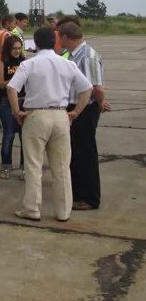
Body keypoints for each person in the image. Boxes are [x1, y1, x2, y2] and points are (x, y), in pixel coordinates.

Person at [6, 27, 92, 222]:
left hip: (36, 115)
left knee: (33, 165)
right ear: (55, 42)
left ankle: (32, 209)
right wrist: (76, 112)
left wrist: (16, 111)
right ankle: (63, 211)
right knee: (62, 167)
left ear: (35, 44)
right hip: (61, 115)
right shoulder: (67, 64)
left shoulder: (29, 63)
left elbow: (12, 88)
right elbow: (86, 88)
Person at [58, 22, 110, 211]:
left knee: (85, 153)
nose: (57, 39)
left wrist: (100, 103)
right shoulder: (74, 55)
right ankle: (78, 193)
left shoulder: (87, 56)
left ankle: (89, 197)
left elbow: (95, 87)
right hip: (76, 107)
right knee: (76, 153)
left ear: (65, 37)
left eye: (59, 35)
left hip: (84, 109)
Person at [0, 36, 25, 180]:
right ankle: (6, 167)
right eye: (14, 48)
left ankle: (24, 169)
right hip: (7, 102)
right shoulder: (3, 62)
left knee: (24, 137)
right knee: (8, 136)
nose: (17, 51)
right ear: (8, 48)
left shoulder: (25, 62)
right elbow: (1, 83)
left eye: (19, 48)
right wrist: (18, 77)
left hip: (23, 101)